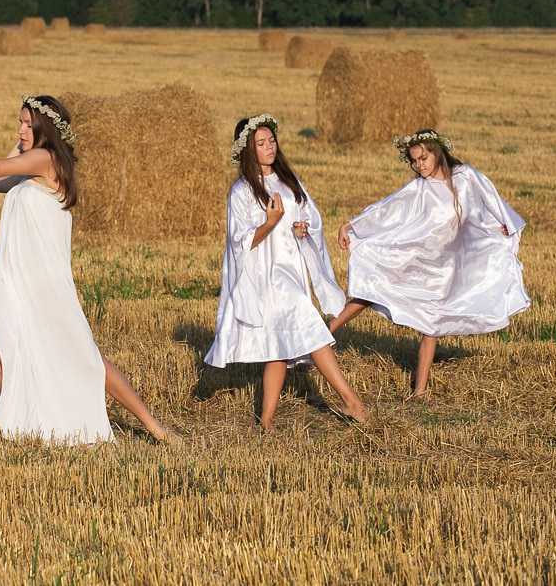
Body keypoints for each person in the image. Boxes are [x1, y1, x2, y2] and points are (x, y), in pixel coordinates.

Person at [0, 95, 180, 446]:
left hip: (43, 282)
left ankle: (153, 426)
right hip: (13, 277)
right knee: (7, 349)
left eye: (28, 124)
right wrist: (22, 142)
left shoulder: (47, 159)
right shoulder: (32, 161)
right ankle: (11, 427)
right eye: (20, 123)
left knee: (86, 355)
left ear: (45, 130)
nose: (21, 129)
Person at [327, 129, 529, 398]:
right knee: (373, 285)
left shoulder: (465, 177)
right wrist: (351, 224)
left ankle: (419, 392)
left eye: (423, 158)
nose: (418, 165)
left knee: (431, 325)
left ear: (437, 153)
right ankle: (324, 334)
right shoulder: (418, 188)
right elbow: (387, 207)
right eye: (413, 161)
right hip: (419, 256)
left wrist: (505, 226)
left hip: (449, 264)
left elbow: (491, 202)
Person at [205, 114, 368, 432]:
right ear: (247, 151)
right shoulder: (240, 192)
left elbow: (310, 212)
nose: (269, 148)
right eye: (261, 144)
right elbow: (240, 243)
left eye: (272, 141)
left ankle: (266, 420)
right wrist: (268, 222)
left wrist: (302, 226)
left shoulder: (289, 180)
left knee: (277, 347)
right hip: (266, 278)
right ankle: (352, 402)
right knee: (310, 326)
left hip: (291, 271)